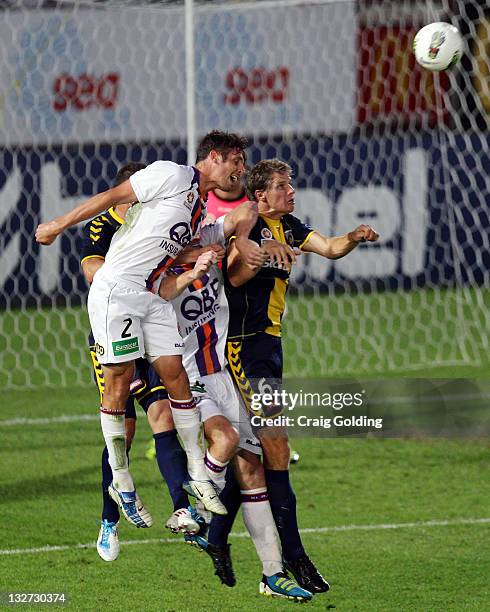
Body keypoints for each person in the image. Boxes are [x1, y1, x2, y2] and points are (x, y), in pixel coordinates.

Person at [35, 131, 263, 527]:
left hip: (151, 295)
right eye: (235, 162)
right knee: (119, 386)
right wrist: (59, 224)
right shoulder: (171, 174)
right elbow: (111, 196)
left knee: (176, 379)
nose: (240, 170)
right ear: (213, 157)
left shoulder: (194, 207)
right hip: (116, 291)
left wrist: (220, 242)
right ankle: (121, 480)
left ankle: (198, 476)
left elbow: (216, 230)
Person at [225, 159, 379, 593]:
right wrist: (260, 258)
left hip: (271, 347)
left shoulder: (289, 225)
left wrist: (352, 237)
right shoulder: (248, 228)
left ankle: (223, 537)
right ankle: (293, 558)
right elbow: (234, 277)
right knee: (273, 445)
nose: (290, 191)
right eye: (280, 186)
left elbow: (329, 248)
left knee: (260, 451)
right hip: (243, 346)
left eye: (289, 185)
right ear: (259, 195)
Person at [158, 209, 312, 602]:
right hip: (191, 379)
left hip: (227, 376)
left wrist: (260, 242)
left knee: (252, 468)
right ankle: (198, 512)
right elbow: (163, 291)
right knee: (224, 441)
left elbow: (241, 228)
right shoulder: (160, 274)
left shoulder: (216, 254)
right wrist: (193, 268)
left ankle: (273, 574)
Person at [79, 163, 202, 561]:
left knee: (162, 413)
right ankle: (109, 520)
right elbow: (92, 270)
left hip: (151, 327)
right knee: (125, 430)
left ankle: (182, 508)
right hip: (114, 332)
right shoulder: (103, 226)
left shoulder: (158, 224)